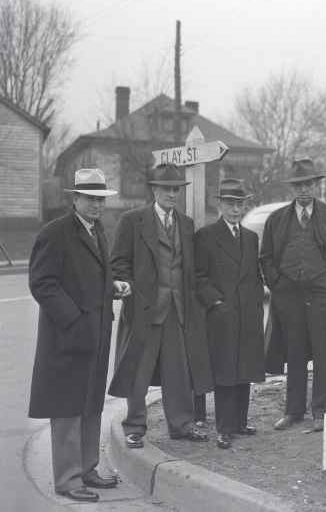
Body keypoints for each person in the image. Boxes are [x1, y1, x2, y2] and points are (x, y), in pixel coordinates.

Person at [28, 169, 126, 502]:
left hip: (94, 336)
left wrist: (112, 288)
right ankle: (68, 480)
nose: (97, 204)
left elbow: (89, 276)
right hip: (68, 337)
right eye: (90, 198)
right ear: (75, 199)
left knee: (90, 404)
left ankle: (87, 470)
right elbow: (42, 282)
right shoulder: (55, 232)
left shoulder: (98, 231)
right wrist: (73, 319)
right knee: (68, 406)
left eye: (101, 198)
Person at [109, 163, 214, 448]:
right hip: (145, 310)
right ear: (154, 190)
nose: (172, 195)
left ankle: (181, 425)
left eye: (176, 190)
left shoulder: (186, 223)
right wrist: (127, 287)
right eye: (166, 189)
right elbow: (118, 262)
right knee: (137, 371)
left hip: (178, 309)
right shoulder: (132, 220)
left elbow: (188, 268)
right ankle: (134, 427)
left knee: (178, 372)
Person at [260, 159, 326, 432]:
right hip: (288, 293)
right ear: (292, 188)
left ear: (317, 185)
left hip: (321, 292)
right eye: (299, 184)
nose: (304, 189)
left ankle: (321, 412)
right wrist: (277, 284)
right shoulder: (277, 219)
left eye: (309, 184)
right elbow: (265, 257)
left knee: (323, 352)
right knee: (295, 352)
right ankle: (293, 411)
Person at [194, 178, 266, 449]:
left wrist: (256, 298)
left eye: (239, 204)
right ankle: (223, 427)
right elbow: (199, 277)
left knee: (244, 368)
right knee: (225, 371)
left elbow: (256, 275)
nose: (235, 209)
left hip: (247, 313)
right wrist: (216, 303)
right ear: (220, 205)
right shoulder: (206, 236)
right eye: (230, 204)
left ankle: (239, 422)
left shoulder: (250, 237)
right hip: (222, 316)